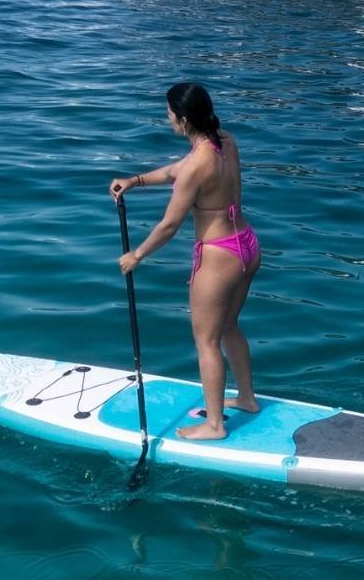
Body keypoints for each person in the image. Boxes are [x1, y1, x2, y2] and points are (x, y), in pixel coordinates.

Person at [111, 82, 260, 440]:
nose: (167, 118)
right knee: (229, 328)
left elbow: (169, 225)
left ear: (181, 119)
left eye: (169, 113)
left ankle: (214, 425)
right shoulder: (224, 141)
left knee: (206, 341)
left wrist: (137, 255)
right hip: (247, 245)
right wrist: (135, 180)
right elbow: (175, 170)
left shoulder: (196, 165)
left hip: (218, 256)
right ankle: (247, 398)